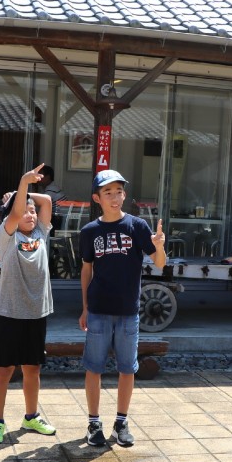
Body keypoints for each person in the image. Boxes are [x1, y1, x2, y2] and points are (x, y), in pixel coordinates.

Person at [79, 169, 166, 447]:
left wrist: (159, 246)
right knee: (94, 368)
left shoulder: (137, 226)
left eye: (119, 192)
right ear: (97, 198)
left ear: (124, 195)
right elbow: (86, 270)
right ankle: (93, 423)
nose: (115, 197)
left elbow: (160, 264)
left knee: (127, 368)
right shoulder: (90, 231)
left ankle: (121, 422)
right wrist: (84, 307)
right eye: (108, 193)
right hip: (98, 310)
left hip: (129, 311)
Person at [0, 166, 56, 444]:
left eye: (32, 210)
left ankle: (31, 416)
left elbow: (48, 202)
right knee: (3, 369)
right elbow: (14, 214)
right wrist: (22, 184)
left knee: (33, 368)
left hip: (37, 313)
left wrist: (22, 192)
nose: (30, 214)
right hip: (9, 313)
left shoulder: (41, 233)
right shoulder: (6, 236)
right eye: (25, 210)